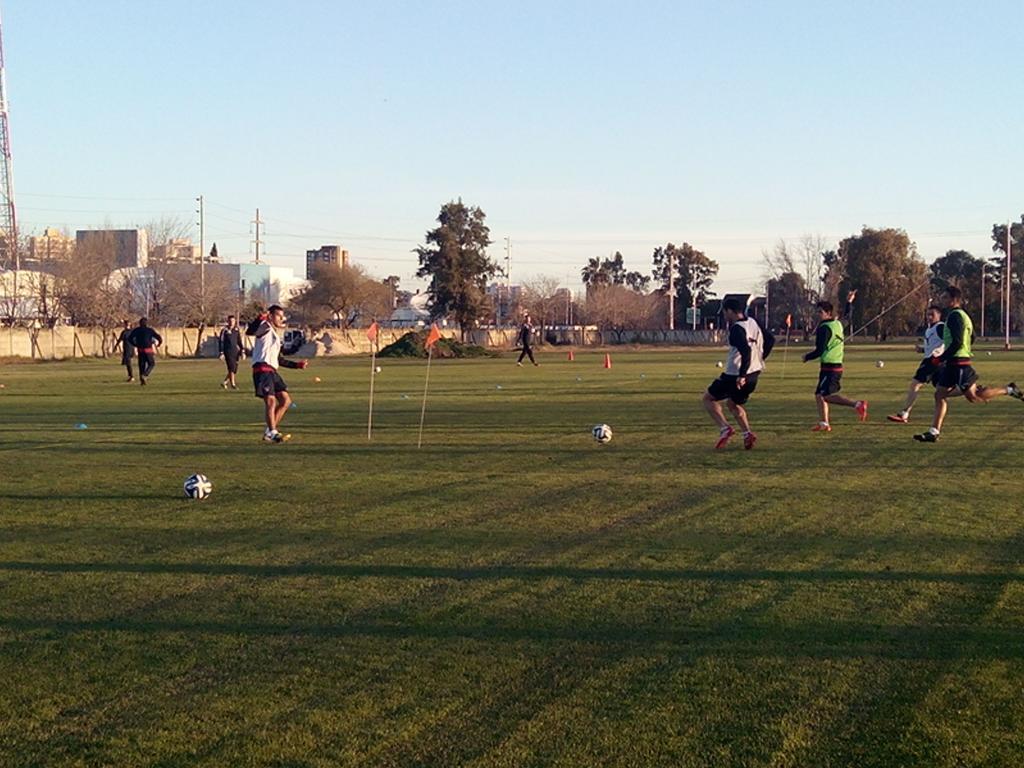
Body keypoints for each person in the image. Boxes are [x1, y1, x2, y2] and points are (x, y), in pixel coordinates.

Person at [914, 285, 1023, 442]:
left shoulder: (954, 316)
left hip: (959, 364)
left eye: (945, 297)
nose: (942, 300)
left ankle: (1008, 389)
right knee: (940, 394)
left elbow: (958, 342)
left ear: (953, 300)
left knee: (974, 397)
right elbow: (972, 337)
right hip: (954, 363)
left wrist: (940, 358)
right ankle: (933, 432)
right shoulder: (963, 316)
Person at [702, 297, 774, 449]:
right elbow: (770, 339)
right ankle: (747, 434)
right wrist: (760, 358)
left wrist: (741, 375)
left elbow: (745, 350)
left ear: (730, 311)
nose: (724, 315)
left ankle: (724, 428)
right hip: (754, 374)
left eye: (724, 312)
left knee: (708, 398)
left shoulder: (736, 328)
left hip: (735, 375)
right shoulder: (753, 322)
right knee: (733, 403)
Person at [803, 291, 868, 431]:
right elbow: (848, 317)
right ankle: (824, 423)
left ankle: (857, 404)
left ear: (828, 313)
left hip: (831, 367)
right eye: (817, 312)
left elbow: (819, 350)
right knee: (819, 394)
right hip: (831, 366)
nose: (818, 314)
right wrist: (849, 302)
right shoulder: (838, 324)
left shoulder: (824, 328)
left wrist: (807, 357)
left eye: (820, 312)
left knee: (826, 396)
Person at [246, 305, 309, 443]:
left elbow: (279, 359)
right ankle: (273, 432)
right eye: (279, 316)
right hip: (262, 369)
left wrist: (297, 365)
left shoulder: (274, 334)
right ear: (270, 315)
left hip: (272, 371)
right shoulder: (265, 327)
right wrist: (260, 318)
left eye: (282, 316)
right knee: (271, 401)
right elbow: (250, 331)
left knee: (286, 401)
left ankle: (269, 431)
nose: (282, 318)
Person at [887, 305, 945, 423]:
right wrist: (923, 349)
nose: (929, 317)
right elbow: (933, 344)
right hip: (934, 361)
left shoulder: (941, 327)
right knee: (942, 390)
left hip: (932, 361)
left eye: (932, 315)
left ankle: (904, 414)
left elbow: (948, 341)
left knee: (915, 384)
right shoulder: (929, 329)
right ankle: (970, 390)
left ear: (939, 316)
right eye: (928, 314)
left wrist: (940, 353)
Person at [127, 318, 162, 386]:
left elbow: (130, 338)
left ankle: (142, 381)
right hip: (148, 350)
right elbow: (158, 337)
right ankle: (145, 375)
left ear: (140, 323)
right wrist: (159, 343)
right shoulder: (150, 330)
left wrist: (135, 344)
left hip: (140, 350)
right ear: (146, 323)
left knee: (141, 365)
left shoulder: (137, 330)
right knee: (151, 363)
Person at [218, 315, 244, 390]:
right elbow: (221, 342)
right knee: (231, 368)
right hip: (227, 352)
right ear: (228, 321)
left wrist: (242, 350)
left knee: (234, 369)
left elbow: (239, 341)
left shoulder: (236, 330)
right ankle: (233, 384)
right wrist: (221, 352)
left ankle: (225, 382)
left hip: (235, 352)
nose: (231, 322)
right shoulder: (224, 330)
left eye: (233, 321)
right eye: (230, 321)